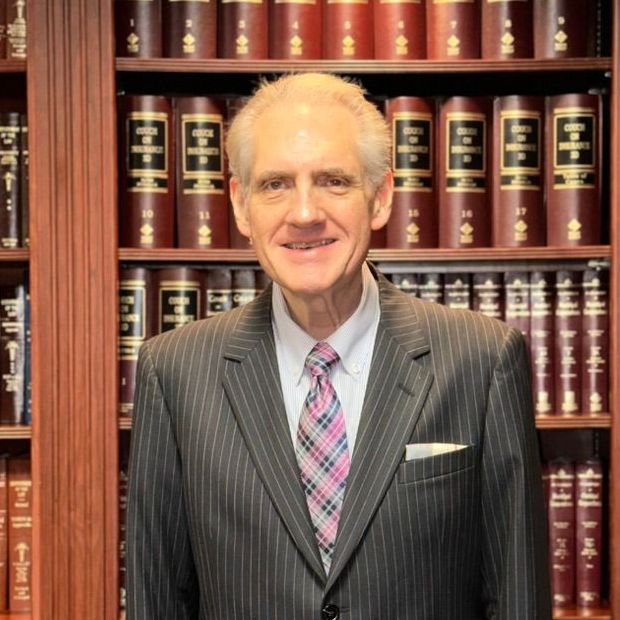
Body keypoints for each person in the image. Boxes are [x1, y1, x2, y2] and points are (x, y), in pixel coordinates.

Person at [126, 72, 551, 619]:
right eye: (275, 184)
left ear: (380, 198)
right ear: (239, 204)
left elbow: (517, 597)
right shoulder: (174, 371)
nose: (304, 213)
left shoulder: (483, 360)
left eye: (333, 181)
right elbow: (157, 599)